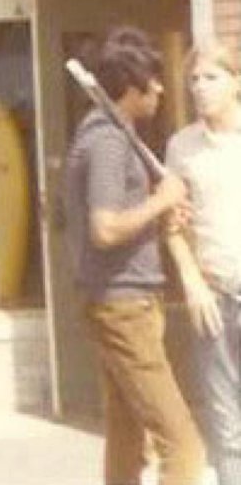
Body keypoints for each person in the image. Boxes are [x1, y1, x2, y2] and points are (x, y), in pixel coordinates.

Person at [64, 26, 205, 485]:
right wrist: (162, 200)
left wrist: (162, 212)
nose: (162, 88)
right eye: (154, 79)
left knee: (127, 435)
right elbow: (104, 228)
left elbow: (125, 219)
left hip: (124, 301)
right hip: (122, 306)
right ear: (130, 85)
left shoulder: (113, 135)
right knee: (182, 444)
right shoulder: (105, 140)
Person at [165, 40, 241, 485]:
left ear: (236, 83)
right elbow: (173, 226)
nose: (199, 87)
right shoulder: (182, 146)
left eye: (211, 77)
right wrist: (191, 281)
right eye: (193, 79)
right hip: (213, 294)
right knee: (226, 420)